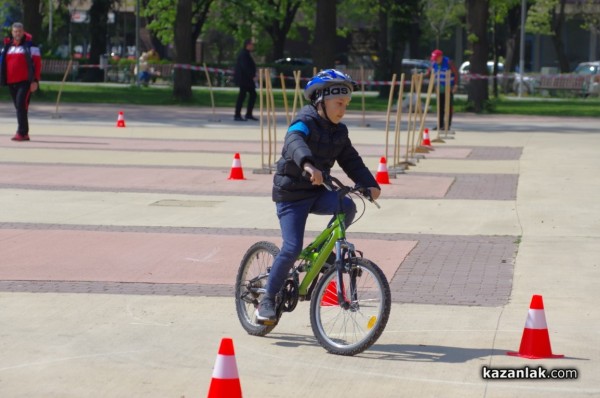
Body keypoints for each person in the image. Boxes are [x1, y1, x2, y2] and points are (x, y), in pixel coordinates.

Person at [256, 69, 382, 322]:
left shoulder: (339, 132)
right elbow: (294, 140)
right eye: (338, 103)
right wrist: (308, 164)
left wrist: (369, 183)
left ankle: (325, 255)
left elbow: (351, 160)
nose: (343, 109)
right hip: (291, 194)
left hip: (317, 190)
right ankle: (267, 299)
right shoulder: (305, 120)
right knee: (292, 248)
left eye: (346, 104)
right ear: (321, 100)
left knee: (347, 206)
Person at [0, 22, 41, 141]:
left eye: (19, 31)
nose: (17, 34)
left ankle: (22, 132)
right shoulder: (7, 46)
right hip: (11, 82)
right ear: (12, 33)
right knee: (20, 107)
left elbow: (37, 65)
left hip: (26, 82)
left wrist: (35, 81)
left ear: (23, 32)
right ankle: (24, 133)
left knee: (20, 105)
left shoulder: (31, 46)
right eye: (15, 31)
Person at [428, 49, 458, 131]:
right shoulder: (434, 63)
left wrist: (455, 85)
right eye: (434, 58)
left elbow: (456, 73)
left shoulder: (448, 62)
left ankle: (447, 125)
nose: (435, 60)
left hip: (448, 88)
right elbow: (429, 73)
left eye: (436, 58)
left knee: (448, 107)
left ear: (441, 57)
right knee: (439, 107)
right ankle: (440, 125)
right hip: (439, 88)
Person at [233, 39, 257, 121]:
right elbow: (245, 67)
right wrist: (252, 76)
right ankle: (237, 114)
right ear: (248, 45)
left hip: (247, 80)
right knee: (242, 96)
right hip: (244, 79)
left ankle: (248, 114)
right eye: (252, 44)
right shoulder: (243, 54)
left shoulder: (246, 54)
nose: (253, 46)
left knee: (253, 95)